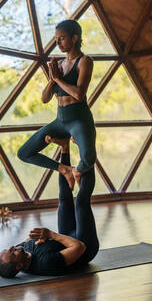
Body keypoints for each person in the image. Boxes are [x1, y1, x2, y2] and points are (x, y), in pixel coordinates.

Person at [0, 138, 99, 278]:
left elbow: (30, 241)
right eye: (12, 253)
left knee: (63, 200)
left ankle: (64, 147)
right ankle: (87, 147)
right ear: (19, 266)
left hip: (67, 237)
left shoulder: (21, 251)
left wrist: (39, 236)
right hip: (84, 246)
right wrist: (50, 235)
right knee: (81, 203)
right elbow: (80, 247)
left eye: (9, 249)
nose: (13, 248)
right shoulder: (45, 264)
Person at [17, 19, 96, 190]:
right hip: (60, 120)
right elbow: (45, 99)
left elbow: (79, 94)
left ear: (74, 38)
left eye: (61, 38)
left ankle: (77, 171)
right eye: (56, 39)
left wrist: (59, 79)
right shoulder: (58, 65)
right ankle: (64, 169)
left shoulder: (85, 61)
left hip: (79, 120)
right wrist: (52, 80)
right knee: (24, 153)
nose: (57, 42)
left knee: (89, 158)